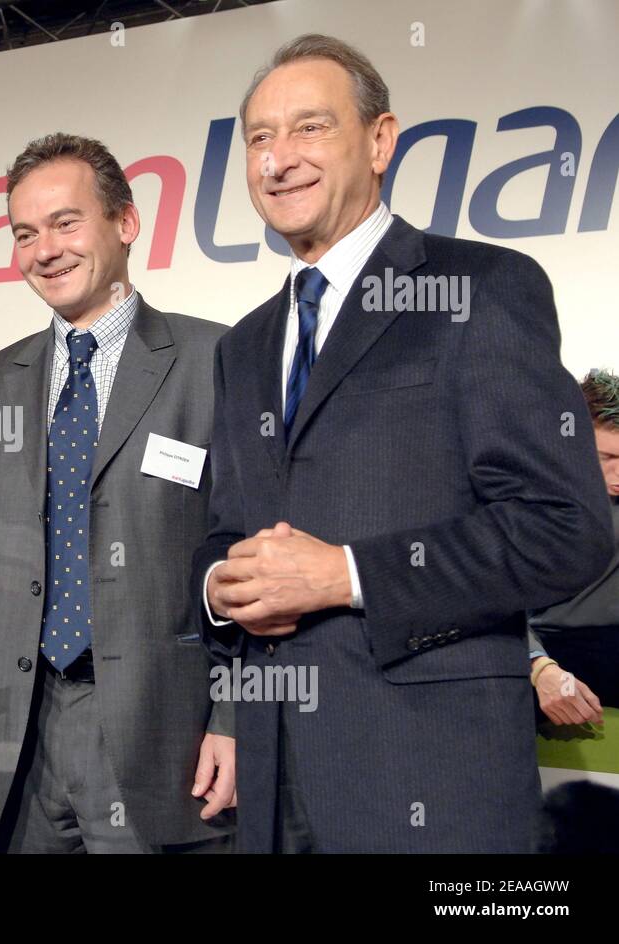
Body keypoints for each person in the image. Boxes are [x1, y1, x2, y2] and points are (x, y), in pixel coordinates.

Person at [194, 34, 613, 853]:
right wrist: (218, 584)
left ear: (381, 140)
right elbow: (228, 528)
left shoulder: (483, 289)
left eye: (310, 128)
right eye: (259, 139)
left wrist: (344, 575)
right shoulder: (243, 346)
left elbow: (566, 528)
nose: (279, 160)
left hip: (431, 781)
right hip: (277, 787)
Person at [0, 133, 234, 853]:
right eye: (25, 234)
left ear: (125, 223)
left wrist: (234, 718)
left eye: (67, 223)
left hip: (166, 737)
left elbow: (250, 558)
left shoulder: (216, 362)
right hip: (22, 735)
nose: (46, 250)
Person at [528, 368, 619, 723]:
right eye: (605, 458)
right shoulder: (525, 494)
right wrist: (539, 668)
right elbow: (486, 604)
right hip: (543, 645)